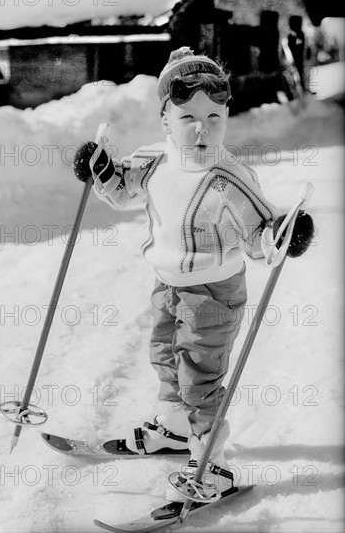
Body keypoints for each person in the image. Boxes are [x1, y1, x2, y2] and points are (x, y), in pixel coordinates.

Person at [73, 47, 314, 503]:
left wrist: (282, 234)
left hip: (214, 292)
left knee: (200, 378)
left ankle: (212, 464)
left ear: (226, 115)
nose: (203, 128)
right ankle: (173, 429)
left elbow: (259, 230)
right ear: (165, 118)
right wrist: (101, 171)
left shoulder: (228, 176)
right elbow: (123, 189)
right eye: (188, 117)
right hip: (167, 284)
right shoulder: (153, 160)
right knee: (165, 356)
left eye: (215, 116)